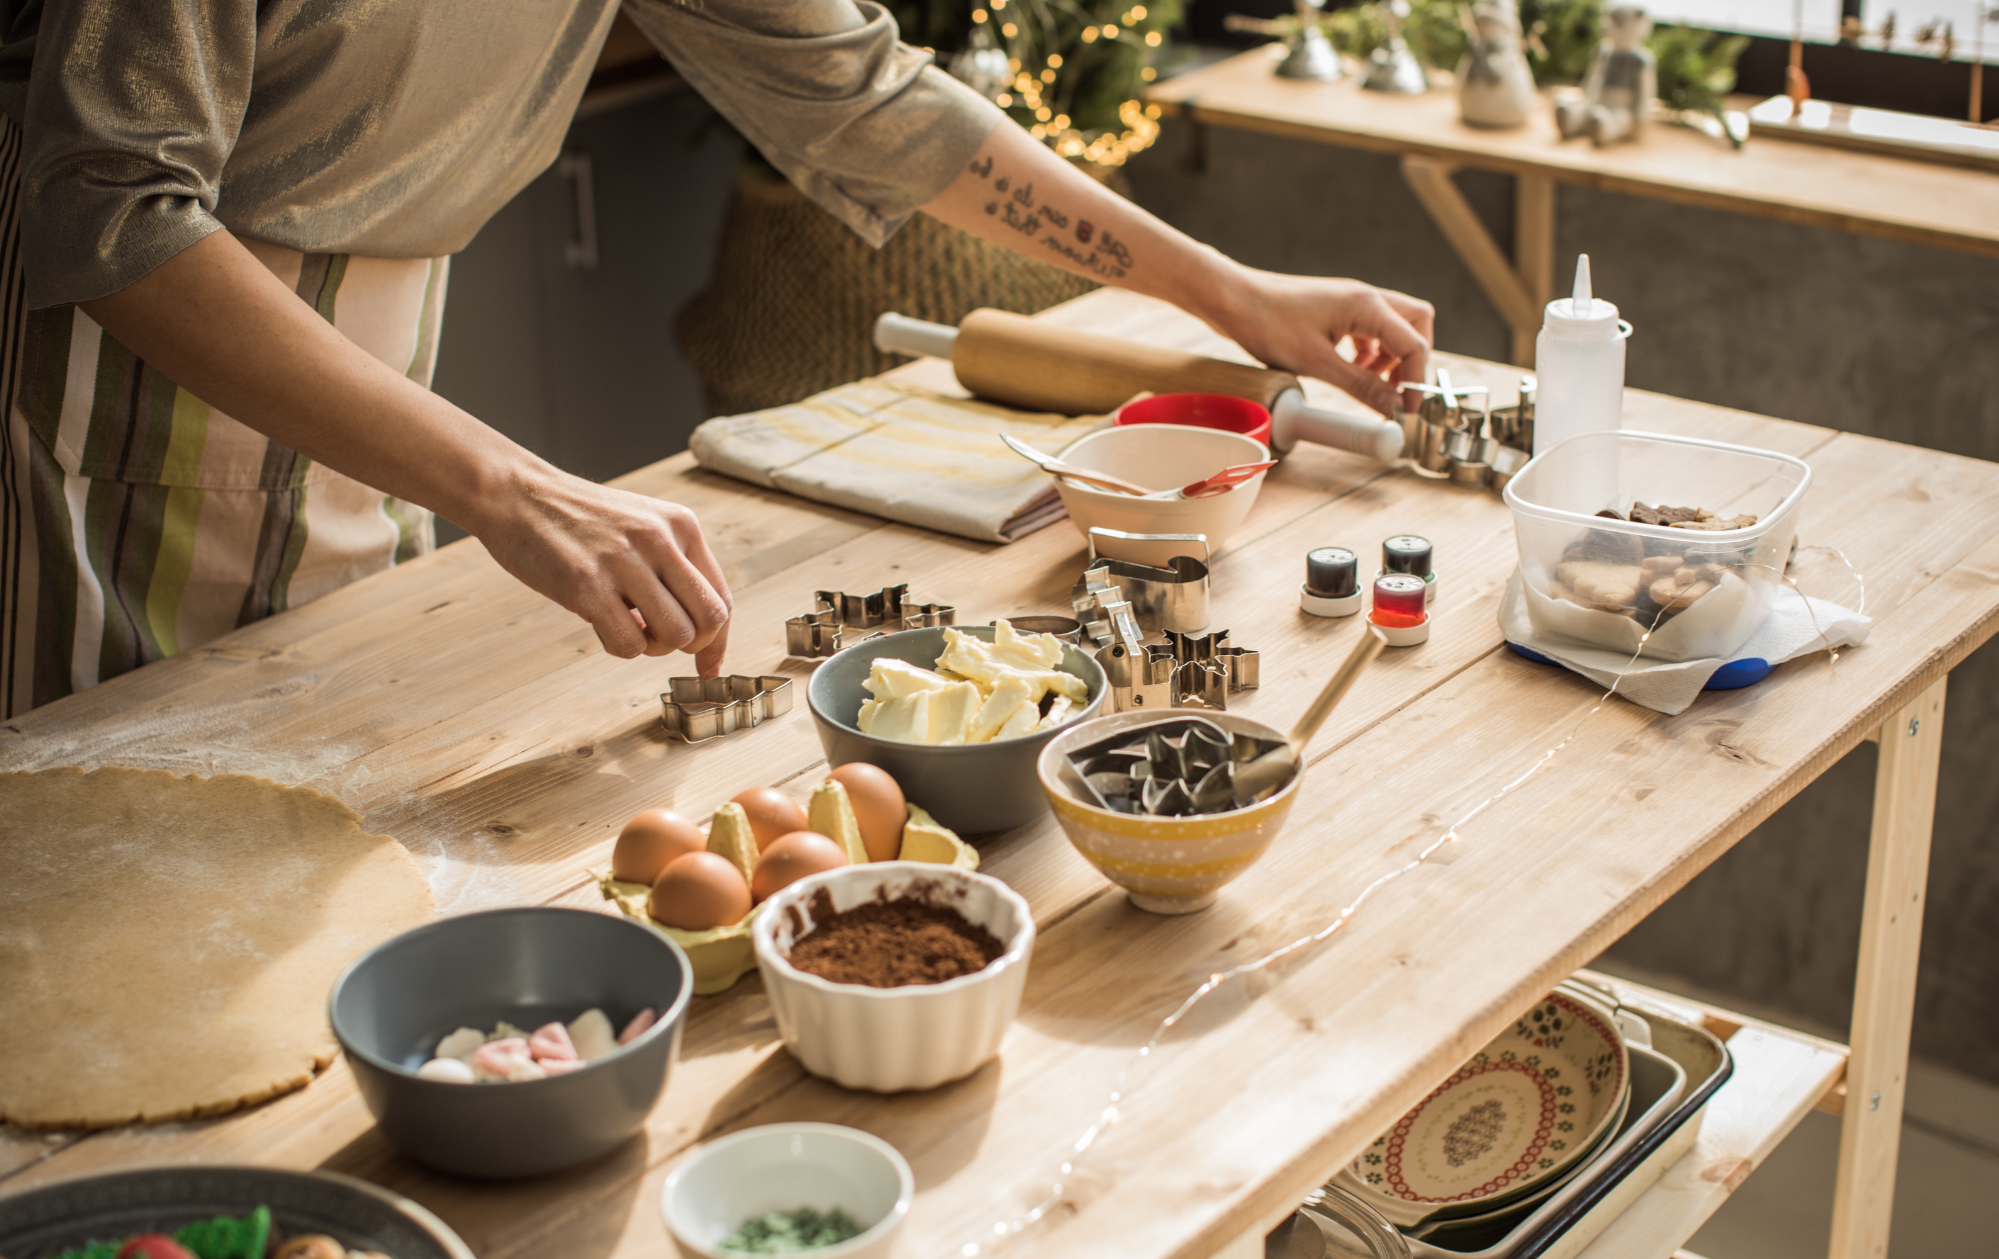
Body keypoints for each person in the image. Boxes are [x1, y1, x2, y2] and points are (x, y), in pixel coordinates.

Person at [0, 0, 1435, 718]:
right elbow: (109, 210)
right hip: (106, 382)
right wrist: (507, 485)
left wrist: (1236, 295)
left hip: (370, 379)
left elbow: (864, 97)